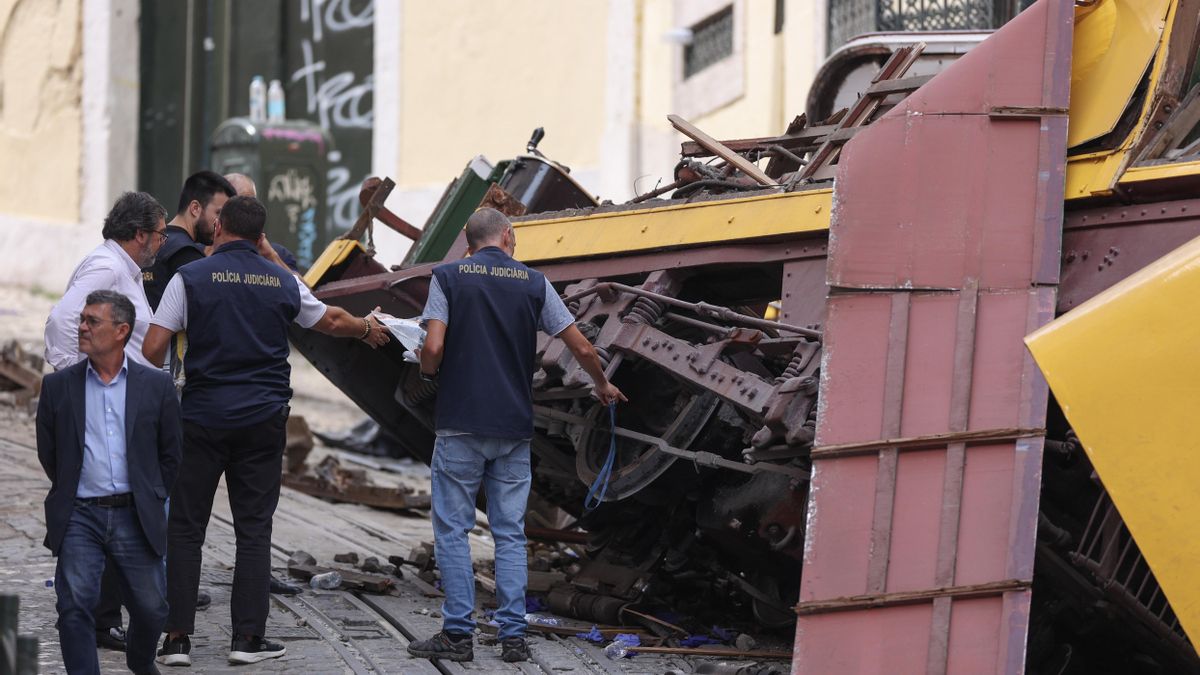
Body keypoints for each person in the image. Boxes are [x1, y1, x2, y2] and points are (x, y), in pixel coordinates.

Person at [143, 196, 391, 666]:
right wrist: (365, 328)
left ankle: (176, 640)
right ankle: (246, 641)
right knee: (254, 530)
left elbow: (153, 348)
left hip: (202, 417)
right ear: (260, 238)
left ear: (217, 228)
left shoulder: (189, 277)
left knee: (186, 528)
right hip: (262, 420)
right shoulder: (282, 282)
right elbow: (330, 320)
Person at [407, 208, 626, 664]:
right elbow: (581, 346)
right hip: (512, 426)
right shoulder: (534, 282)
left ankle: (457, 635)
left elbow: (432, 346)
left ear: (469, 242)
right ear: (508, 236)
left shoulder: (447, 277)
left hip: (460, 424)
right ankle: (513, 637)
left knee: (452, 530)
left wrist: (428, 372)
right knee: (509, 533)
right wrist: (601, 385)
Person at [42, 190, 169, 653]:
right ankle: (102, 618)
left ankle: (107, 616)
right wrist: (77, 378)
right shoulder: (109, 267)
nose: (161, 242)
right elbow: (60, 322)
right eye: (158, 234)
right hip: (110, 404)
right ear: (139, 235)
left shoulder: (121, 267)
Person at [37, 290, 182, 675]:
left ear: (121, 331)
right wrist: (75, 488)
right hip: (81, 514)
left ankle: (139, 660)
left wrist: (153, 494)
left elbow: (171, 454)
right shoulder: (58, 387)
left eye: (92, 321)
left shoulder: (156, 386)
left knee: (153, 608)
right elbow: (50, 454)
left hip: (135, 513)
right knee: (74, 607)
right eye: (81, 320)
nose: (82, 327)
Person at [142, 171, 235, 310]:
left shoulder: (154, 242)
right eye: (219, 213)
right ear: (195, 208)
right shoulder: (187, 254)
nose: (222, 223)